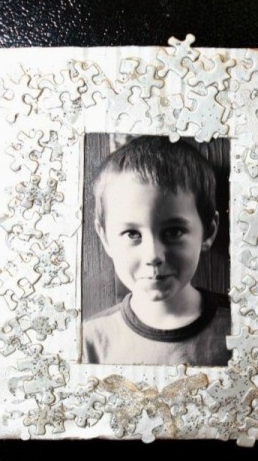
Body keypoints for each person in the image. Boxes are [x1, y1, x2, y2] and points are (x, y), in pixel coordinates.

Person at [83, 135, 231, 366]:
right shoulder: (88, 343)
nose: (153, 255)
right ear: (105, 238)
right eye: (133, 234)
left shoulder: (246, 330)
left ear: (209, 231)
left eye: (173, 232)